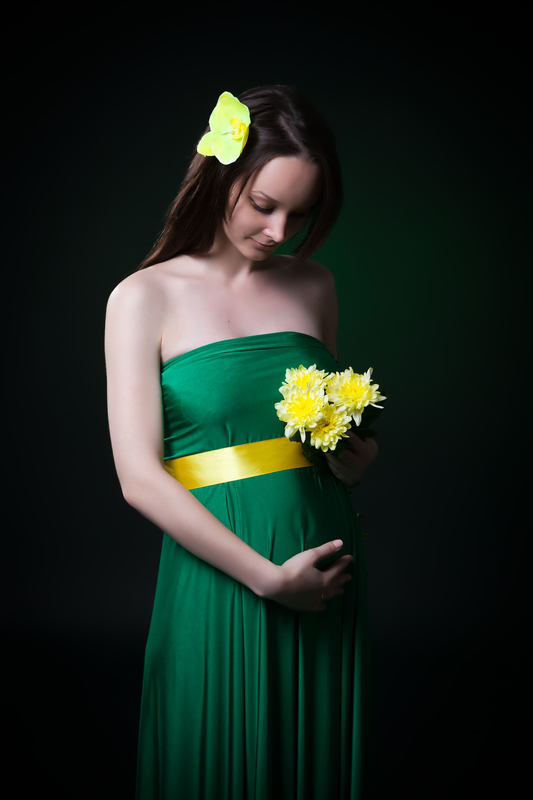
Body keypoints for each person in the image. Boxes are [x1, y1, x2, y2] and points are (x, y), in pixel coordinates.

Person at [105, 85, 378, 799]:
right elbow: (139, 477)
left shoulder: (314, 286)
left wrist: (355, 459)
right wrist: (267, 579)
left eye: (300, 213)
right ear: (219, 174)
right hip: (227, 571)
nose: (279, 230)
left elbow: (310, 433)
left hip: (324, 570)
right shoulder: (142, 297)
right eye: (263, 204)